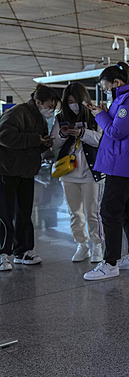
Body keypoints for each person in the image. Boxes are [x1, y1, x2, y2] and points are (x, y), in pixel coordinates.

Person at [82, 62, 129, 281]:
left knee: (109, 211)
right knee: (127, 210)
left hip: (122, 165)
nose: (106, 91)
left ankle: (110, 263)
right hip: (125, 163)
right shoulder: (125, 100)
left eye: (107, 87)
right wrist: (104, 112)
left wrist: (100, 115)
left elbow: (116, 132)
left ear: (118, 82)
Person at [0, 84, 57, 271]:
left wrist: (43, 144)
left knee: (24, 213)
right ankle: (1, 253)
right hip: (7, 171)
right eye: (50, 105)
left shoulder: (38, 117)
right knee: (4, 214)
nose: (51, 110)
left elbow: (35, 141)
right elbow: (4, 135)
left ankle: (23, 250)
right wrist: (35, 140)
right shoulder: (17, 113)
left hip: (26, 172)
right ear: (38, 102)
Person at [50, 82, 105, 263]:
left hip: (91, 172)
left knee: (92, 212)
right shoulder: (60, 118)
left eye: (76, 101)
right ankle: (81, 244)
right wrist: (64, 135)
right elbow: (54, 143)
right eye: (69, 101)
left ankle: (96, 245)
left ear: (83, 100)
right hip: (68, 172)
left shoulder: (95, 116)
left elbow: (100, 140)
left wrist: (82, 133)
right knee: (74, 212)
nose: (73, 104)